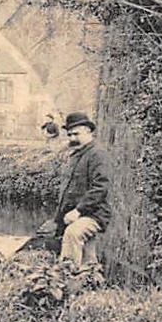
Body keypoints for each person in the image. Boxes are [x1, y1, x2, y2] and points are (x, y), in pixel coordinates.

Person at [52, 111, 110, 265]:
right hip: (75, 214)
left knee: (73, 234)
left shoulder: (97, 154)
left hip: (94, 214)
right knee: (88, 259)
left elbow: (101, 187)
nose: (72, 139)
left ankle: (66, 279)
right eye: (69, 135)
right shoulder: (77, 155)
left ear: (88, 131)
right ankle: (90, 282)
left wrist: (78, 211)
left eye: (76, 134)